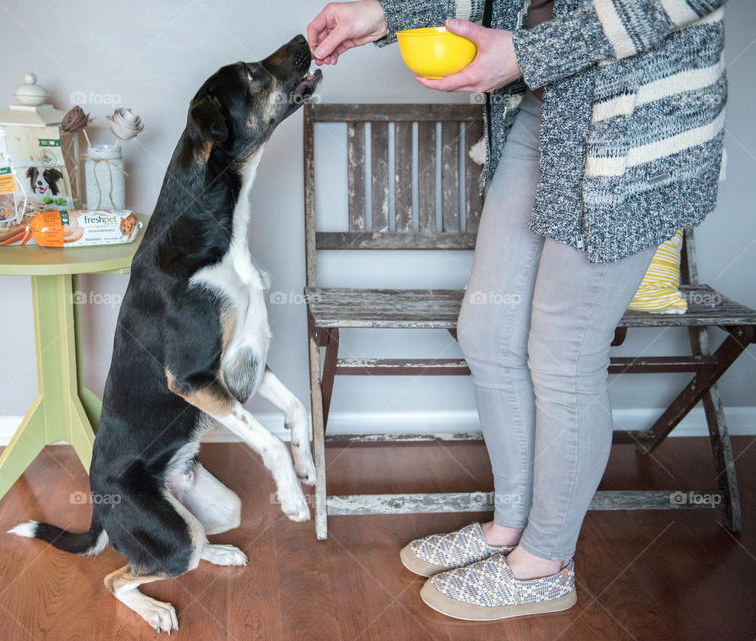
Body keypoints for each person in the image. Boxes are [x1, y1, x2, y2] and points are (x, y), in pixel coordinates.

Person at [307, 0, 727, 621]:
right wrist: (386, 13)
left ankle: (545, 563)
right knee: (487, 332)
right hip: (545, 100)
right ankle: (511, 527)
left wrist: (528, 52)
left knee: (563, 353)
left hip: (635, 117)